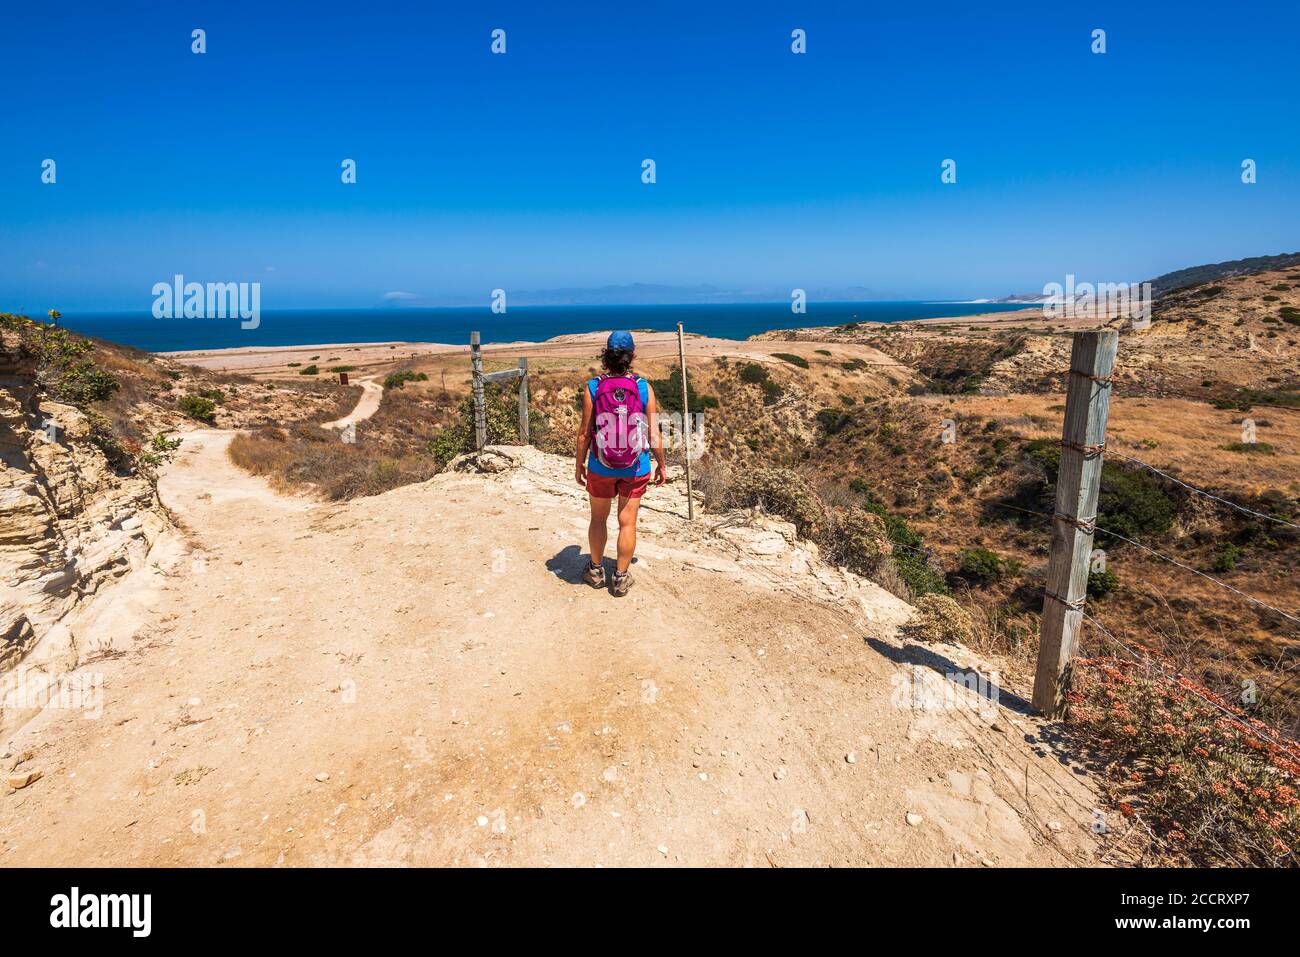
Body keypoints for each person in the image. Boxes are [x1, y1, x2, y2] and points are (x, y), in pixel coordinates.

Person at [574, 331, 667, 596]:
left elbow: (584, 433)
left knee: (598, 519)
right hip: (636, 466)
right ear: (632, 355)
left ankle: (594, 571)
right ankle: (620, 577)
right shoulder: (642, 387)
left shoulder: (593, 387)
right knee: (627, 523)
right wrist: (661, 464)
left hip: (600, 466)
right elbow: (653, 433)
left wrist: (579, 465)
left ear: (606, 355)